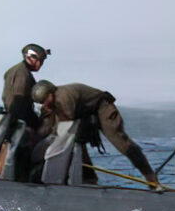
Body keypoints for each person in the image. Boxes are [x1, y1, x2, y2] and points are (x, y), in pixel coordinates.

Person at [31, 80, 160, 189]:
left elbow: (65, 123)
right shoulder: (52, 103)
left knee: (120, 141)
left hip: (102, 108)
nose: (44, 104)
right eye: (42, 103)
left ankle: (150, 177)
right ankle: (89, 179)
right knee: (77, 144)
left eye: (45, 101)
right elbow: (49, 126)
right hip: (85, 115)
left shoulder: (63, 97)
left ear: (50, 93)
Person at [2, 44, 50, 120]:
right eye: (41, 60)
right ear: (31, 58)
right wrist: (33, 122)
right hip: (19, 117)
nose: (41, 64)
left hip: (12, 115)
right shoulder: (22, 73)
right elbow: (19, 101)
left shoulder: (18, 69)